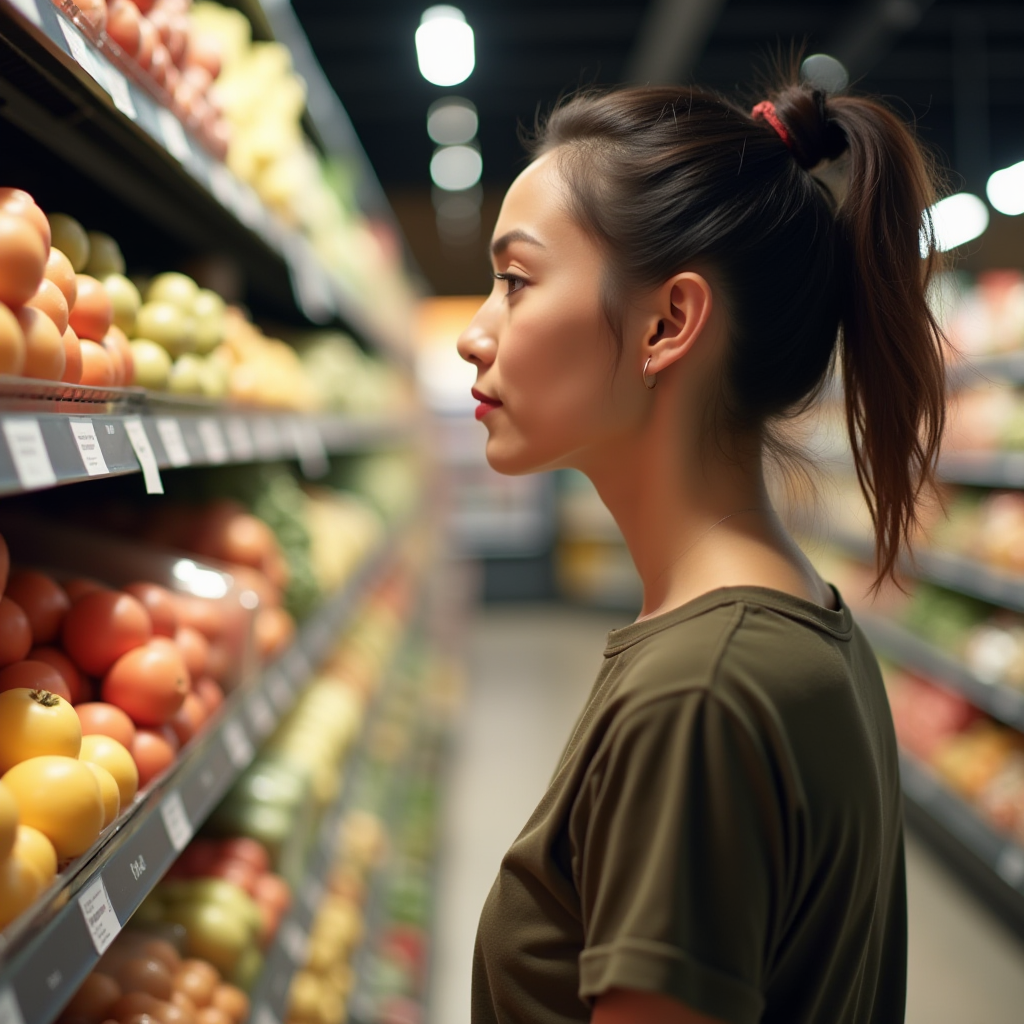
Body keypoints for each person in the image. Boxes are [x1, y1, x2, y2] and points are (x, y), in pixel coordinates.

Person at [457, 69, 948, 1024]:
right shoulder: (799, 627)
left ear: (668, 322)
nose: (475, 334)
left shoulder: (699, 694)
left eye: (515, 281)